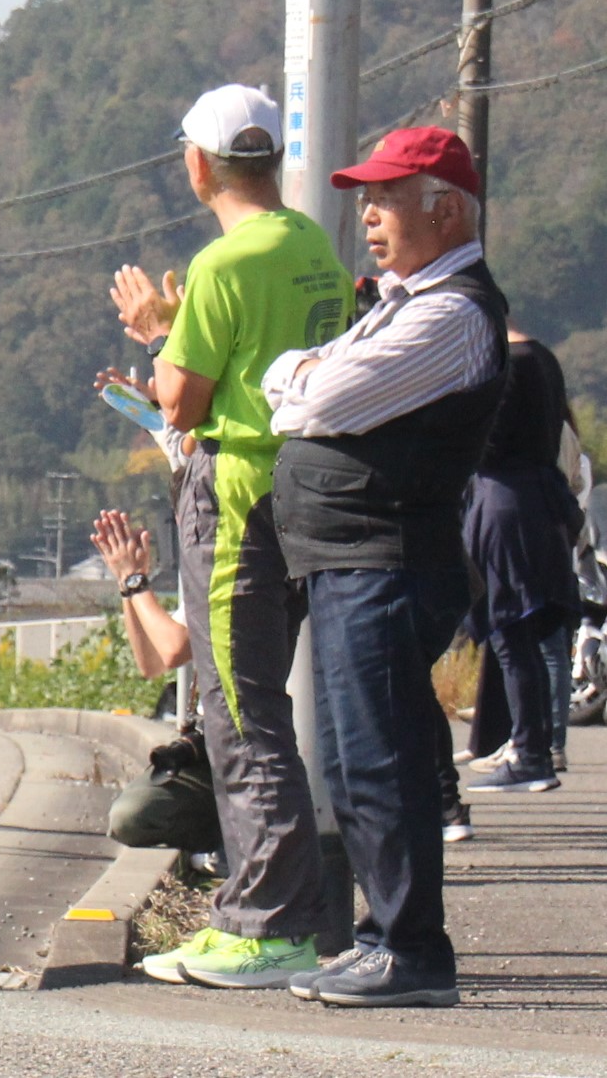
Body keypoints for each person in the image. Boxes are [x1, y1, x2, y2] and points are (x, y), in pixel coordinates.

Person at [109, 84, 349, 989]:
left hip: (236, 497)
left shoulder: (220, 264)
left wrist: (158, 337)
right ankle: (264, 916)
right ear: (270, 161)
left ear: (197, 164)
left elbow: (182, 399)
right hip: (299, 489)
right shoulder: (310, 245)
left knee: (241, 716)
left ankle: (264, 926)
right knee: (259, 709)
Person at [265, 125, 509, 1008]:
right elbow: (297, 380)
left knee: (382, 759)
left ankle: (409, 951)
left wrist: (302, 377)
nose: (366, 217)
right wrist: (302, 374)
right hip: (348, 558)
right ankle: (380, 939)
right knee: (357, 756)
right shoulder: (403, 300)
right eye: (365, 199)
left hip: (387, 560)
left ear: (444, 210)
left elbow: (317, 395)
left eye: (385, 200)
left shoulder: (453, 313)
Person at [458, 323, 578, 792]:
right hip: (545, 500)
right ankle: (534, 746)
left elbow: (483, 441)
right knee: (534, 632)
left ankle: (529, 751)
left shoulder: (498, 363)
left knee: (511, 635)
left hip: (503, 503)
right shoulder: (542, 358)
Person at [90, 510, 221, 858]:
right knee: (130, 817)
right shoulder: (202, 574)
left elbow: (175, 647)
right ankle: (217, 839)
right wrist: (128, 586)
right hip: (210, 748)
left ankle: (222, 842)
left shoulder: (233, 565)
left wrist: (136, 582)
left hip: (242, 742)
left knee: (135, 815)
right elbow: (151, 662)